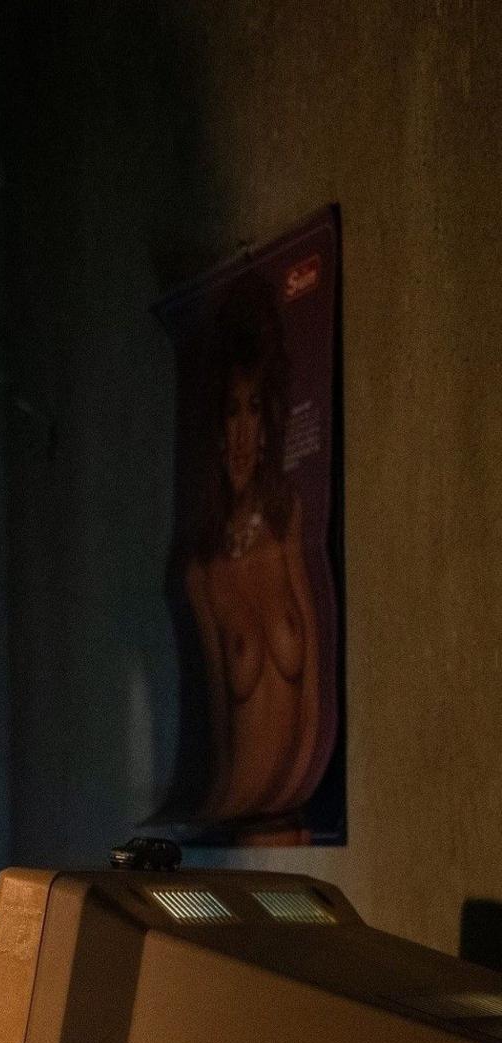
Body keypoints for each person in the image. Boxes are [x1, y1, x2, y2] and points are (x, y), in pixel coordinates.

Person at [176, 273, 333, 823]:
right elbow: (222, 734)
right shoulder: (203, 571)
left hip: (301, 825)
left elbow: (317, 700)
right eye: (230, 411)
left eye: (252, 409)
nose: (241, 432)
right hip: (239, 835)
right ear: (217, 431)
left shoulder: (288, 521)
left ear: (267, 424)